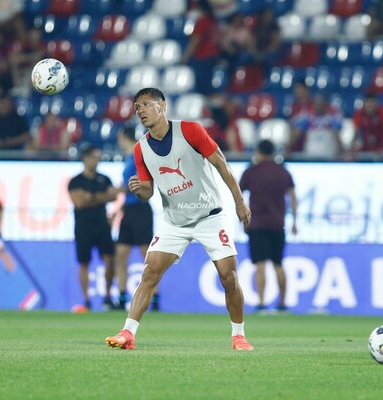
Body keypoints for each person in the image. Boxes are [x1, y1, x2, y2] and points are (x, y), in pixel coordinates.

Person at [105, 87, 253, 351]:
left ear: (162, 105)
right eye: (137, 108)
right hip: (174, 221)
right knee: (149, 273)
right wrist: (139, 190)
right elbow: (148, 192)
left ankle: (239, 336)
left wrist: (239, 201)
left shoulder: (190, 131)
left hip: (210, 216)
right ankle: (128, 332)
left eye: (146, 104)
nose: (141, 111)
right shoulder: (141, 150)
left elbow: (221, 164)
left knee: (228, 277)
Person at [239, 139, 297, 313]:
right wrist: (295, 221)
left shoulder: (251, 171)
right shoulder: (283, 172)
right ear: (272, 153)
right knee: (278, 264)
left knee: (260, 264)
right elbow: (293, 197)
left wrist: (241, 218)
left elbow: (238, 195)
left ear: (258, 152)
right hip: (277, 224)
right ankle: (283, 303)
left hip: (256, 224)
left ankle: (261, 302)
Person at [68, 145, 121, 312]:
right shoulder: (75, 181)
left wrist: (90, 197)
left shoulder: (104, 179)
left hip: (102, 224)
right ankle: (86, 300)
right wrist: (102, 197)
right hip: (83, 226)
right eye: (94, 157)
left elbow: (114, 196)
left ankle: (107, 297)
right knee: (84, 262)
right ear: (85, 158)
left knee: (110, 259)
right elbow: (79, 202)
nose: (97, 161)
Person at [114, 127, 157, 311]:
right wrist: (118, 211)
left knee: (147, 256)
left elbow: (143, 183)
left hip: (141, 209)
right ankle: (122, 297)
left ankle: (154, 298)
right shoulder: (129, 157)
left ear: (122, 136)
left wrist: (120, 190)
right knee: (121, 255)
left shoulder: (139, 154)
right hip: (129, 210)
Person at [350, 93, 383, 160]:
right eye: (368, 103)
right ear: (364, 104)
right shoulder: (359, 114)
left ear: (376, 103)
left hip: (381, 147)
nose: (370, 105)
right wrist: (352, 148)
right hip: (365, 147)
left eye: (372, 102)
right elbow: (355, 134)